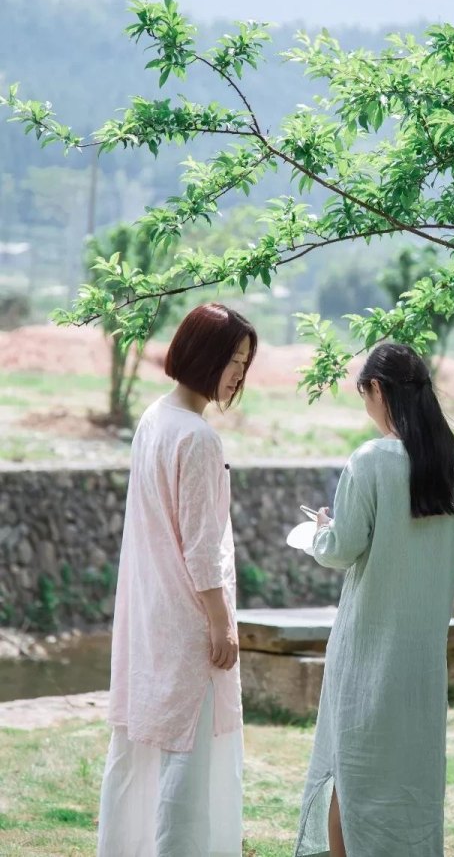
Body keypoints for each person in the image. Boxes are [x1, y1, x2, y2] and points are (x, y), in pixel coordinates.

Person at [293, 342, 454, 857]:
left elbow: (341, 550)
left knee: (351, 771)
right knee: (413, 781)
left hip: (364, 653)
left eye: (365, 396)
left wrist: (319, 532)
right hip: (421, 661)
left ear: (378, 390)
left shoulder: (370, 459)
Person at [97, 302, 257, 857]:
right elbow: (201, 547)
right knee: (189, 762)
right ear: (206, 355)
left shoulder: (154, 418)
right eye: (235, 359)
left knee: (145, 747)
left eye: (245, 362)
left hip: (150, 613)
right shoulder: (197, 438)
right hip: (188, 620)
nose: (240, 373)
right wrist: (222, 626)